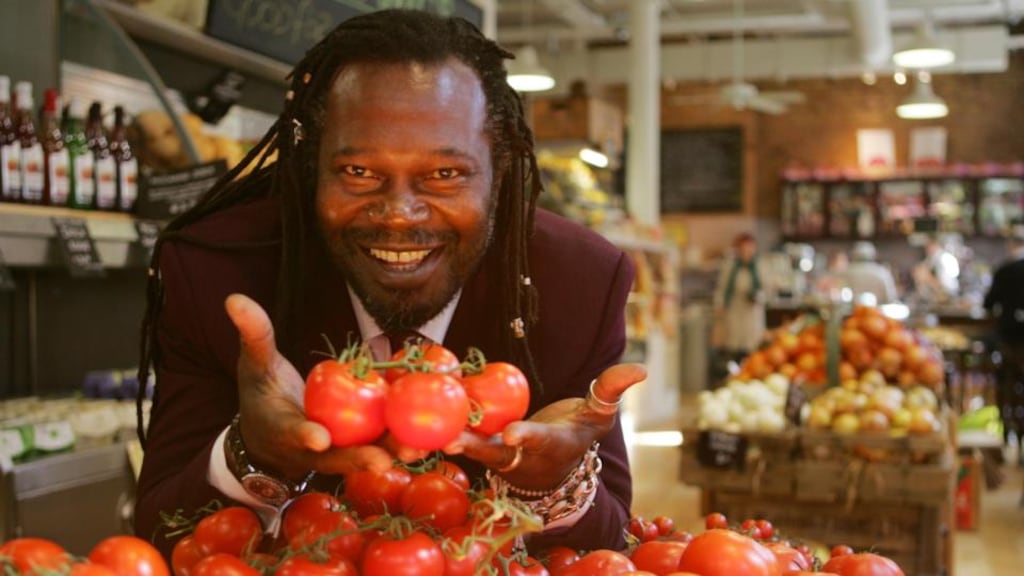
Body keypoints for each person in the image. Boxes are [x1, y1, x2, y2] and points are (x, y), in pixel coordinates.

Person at [133, 10, 646, 558]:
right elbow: (161, 531)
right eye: (359, 173)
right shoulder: (216, 272)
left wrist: (548, 486)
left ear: (498, 172)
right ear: (311, 167)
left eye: (445, 175)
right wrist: (253, 455)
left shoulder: (576, 282)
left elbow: (612, 548)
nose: (399, 215)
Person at [984, 228, 1024, 464]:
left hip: (1010, 340)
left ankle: (1010, 431)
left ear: (1011, 245)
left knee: (1008, 382)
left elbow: (989, 303)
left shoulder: (1004, 270)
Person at [713, 233, 765, 357]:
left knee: (752, 345)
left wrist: (757, 296)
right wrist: (720, 305)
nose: (747, 252)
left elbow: (767, 289)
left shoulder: (760, 267)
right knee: (734, 344)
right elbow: (722, 288)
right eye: (743, 249)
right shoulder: (730, 267)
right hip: (734, 309)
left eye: (750, 248)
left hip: (752, 311)